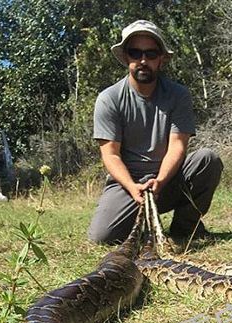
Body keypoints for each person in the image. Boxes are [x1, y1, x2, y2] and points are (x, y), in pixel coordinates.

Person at [88, 20, 223, 245]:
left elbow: (178, 146)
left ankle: (185, 228)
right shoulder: (109, 99)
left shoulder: (178, 95)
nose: (143, 60)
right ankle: (139, 224)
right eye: (135, 53)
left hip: (167, 179)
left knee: (208, 160)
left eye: (151, 54)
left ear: (161, 58)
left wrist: (159, 181)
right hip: (128, 183)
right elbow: (110, 154)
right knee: (102, 237)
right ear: (126, 57)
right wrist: (132, 187)